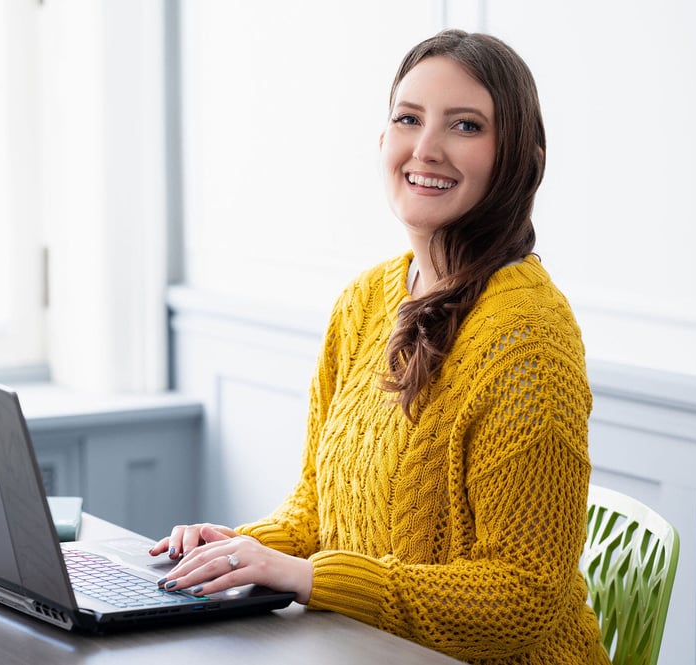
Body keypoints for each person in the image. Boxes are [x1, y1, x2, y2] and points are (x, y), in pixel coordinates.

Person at [149, 29, 609, 664]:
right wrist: (236, 550)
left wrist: (310, 579)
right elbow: (317, 508)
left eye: (467, 126)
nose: (426, 148)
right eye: (408, 118)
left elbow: (524, 601)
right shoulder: (364, 301)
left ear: (521, 161)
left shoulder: (528, 339)